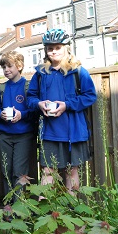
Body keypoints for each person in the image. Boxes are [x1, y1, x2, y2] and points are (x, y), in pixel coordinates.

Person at [26, 29, 96, 194]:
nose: (54, 51)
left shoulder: (78, 72)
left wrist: (67, 105)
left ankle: (71, 212)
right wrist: (39, 104)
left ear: (67, 48)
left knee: (71, 172)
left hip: (74, 132)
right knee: (47, 171)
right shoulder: (40, 74)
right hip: (49, 131)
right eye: (50, 48)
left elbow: (90, 96)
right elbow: (31, 97)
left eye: (58, 47)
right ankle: (45, 212)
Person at [0, 51, 37, 199]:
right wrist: (0, 114)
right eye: (4, 67)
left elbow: (35, 110)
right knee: (5, 170)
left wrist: (21, 115)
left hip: (24, 135)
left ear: (19, 66)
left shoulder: (28, 86)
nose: (6, 70)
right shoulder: (2, 88)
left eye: (9, 66)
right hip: (4, 135)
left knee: (19, 172)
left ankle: (19, 208)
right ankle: (8, 204)